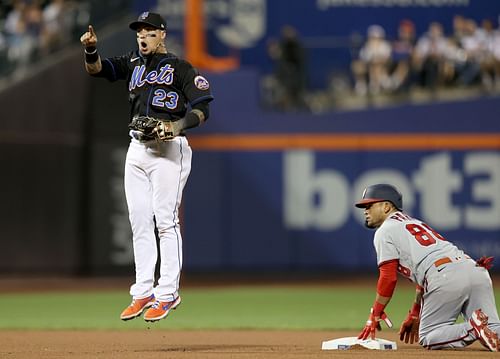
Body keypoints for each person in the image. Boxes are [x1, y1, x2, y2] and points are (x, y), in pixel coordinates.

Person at [80, 11, 213, 322]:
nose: (143, 35)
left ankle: (167, 293)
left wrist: (177, 127)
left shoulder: (180, 68)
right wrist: (89, 49)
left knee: (165, 221)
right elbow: (97, 69)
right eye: (139, 31)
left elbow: (203, 107)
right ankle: (142, 291)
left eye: (150, 31)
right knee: (139, 220)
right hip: (137, 148)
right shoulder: (133, 63)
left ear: (162, 34)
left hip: (169, 149)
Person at [355, 183, 500, 351]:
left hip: (445, 275)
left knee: (429, 336)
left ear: (386, 206)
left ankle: (473, 327)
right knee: (493, 330)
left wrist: (376, 312)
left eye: (369, 205)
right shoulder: (413, 223)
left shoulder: (384, 231)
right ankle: (480, 327)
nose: (365, 210)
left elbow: (388, 277)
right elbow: (424, 271)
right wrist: (415, 312)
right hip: (475, 269)